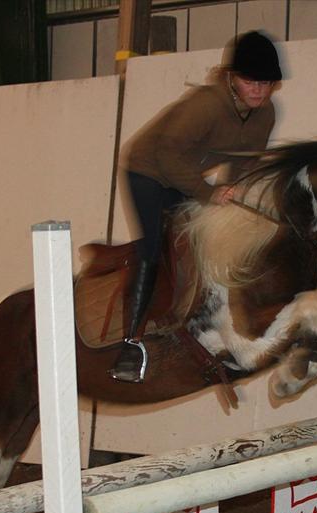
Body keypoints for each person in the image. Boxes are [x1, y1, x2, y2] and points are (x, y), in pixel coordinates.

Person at [110, 30, 284, 383]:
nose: (259, 91)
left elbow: (244, 163)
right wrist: (208, 194)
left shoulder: (265, 114)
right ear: (232, 78)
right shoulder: (206, 105)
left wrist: (230, 194)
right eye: (251, 81)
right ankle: (130, 343)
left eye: (266, 83)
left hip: (184, 176)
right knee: (152, 250)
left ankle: (198, 324)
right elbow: (166, 154)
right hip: (147, 171)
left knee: (204, 242)